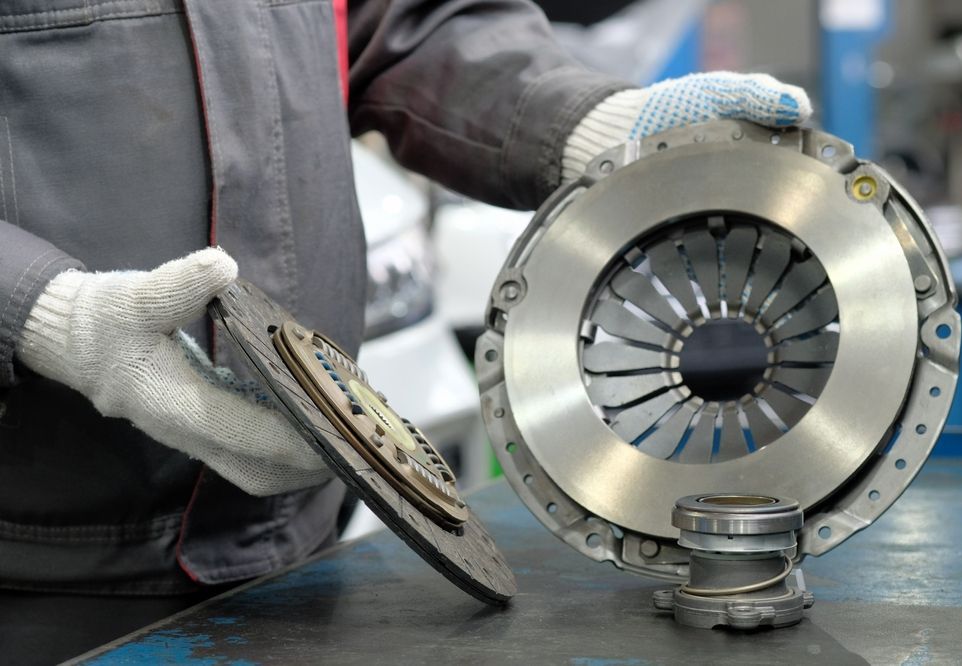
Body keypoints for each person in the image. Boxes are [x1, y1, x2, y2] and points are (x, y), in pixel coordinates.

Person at [0, 0, 810, 598]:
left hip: (318, 538)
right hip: (37, 562)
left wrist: (586, 124)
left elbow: (400, 24)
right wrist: (44, 315)